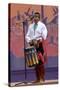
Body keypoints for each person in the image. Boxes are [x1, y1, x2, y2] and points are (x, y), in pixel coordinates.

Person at [25, 12, 48, 83]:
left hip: (39, 44)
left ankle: (42, 78)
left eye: (37, 17)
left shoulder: (42, 25)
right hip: (32, 44)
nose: (35, 18)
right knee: (35, 62)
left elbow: (44, 34)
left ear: (39, 18)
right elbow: (27, 35)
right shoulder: (30, 26)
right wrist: (29, 41)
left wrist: (40, 39)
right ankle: (37, 79)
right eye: (34, 17)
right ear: (33, 18)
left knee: (40, 62)